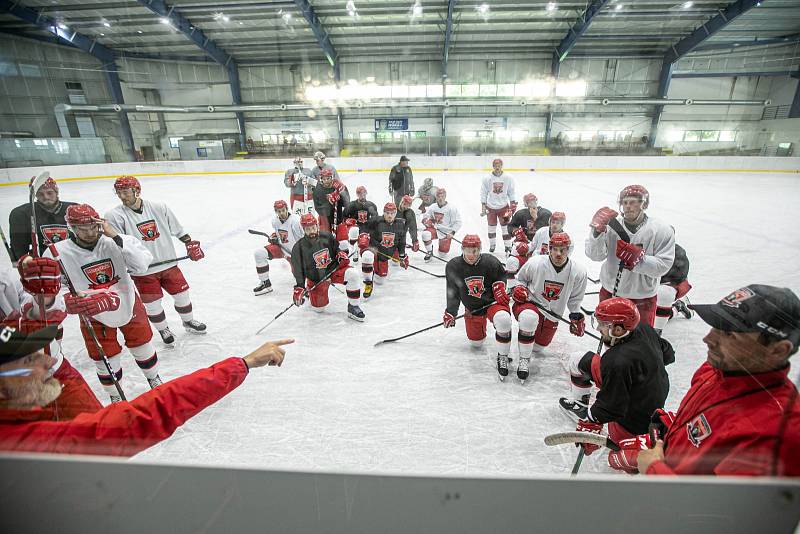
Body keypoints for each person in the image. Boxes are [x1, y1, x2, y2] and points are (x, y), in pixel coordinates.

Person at [0, 324, 292, 456]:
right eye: (28, 361)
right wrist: (242, 364)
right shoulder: (23, 448)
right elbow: (144, 415)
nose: (48, 361)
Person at [633, 284, 800, 477]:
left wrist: (653, 468)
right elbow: (708, 428)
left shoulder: (773, 435)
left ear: (778, 350)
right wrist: (669, 429)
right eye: (716, 326)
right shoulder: (717, 370)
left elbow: (713, 506)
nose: (708, 338)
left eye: (729, 334)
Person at [44, 204, 162, 403]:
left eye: (93, 226)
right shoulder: (56, 252)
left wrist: (116, 236)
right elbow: (53, 288)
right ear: (71, 227)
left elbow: (142, 265)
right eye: (83, 229)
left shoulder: (117, 240)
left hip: (128, 302)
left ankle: (154, 378)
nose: (90, 232)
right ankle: (116, 396)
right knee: (105, 358)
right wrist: (66, 301)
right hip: (92, 312)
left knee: (142, 344)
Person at [560, 297, 674, 473]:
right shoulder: (644, 329)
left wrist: (591, 421)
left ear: (618, 330)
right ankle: (581, 405)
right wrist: (643, 369)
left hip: (631, 424)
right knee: (578, 359)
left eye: (602, 324)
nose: (598, 328)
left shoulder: (617, 362)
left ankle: (586, 411)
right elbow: (668, 353)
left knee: (619, 461)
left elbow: (612, 407)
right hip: (649, 400)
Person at [105, 176, 207, 346]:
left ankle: (188, 321)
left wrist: (190, 243)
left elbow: (177, 229)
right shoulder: (115, 215)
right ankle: (163, 329)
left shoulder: (159, 207)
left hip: (169, 264)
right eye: (119, 193)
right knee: (152, 305)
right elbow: (117, 244)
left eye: (126, 192)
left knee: (182, 296)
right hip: (142, 271)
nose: (122, 197)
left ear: (136, 191)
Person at [1, 261, 102, 420]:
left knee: (98, 432)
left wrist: (45, 297)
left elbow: (32, 306)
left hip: (51, 375)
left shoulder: (6, 276)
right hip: (8, 394)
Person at [586, 185, 675, 327]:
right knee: (610, 341)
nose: (628, 206)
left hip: (642, 299)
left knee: (640, 344)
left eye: (633, 202)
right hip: (609, 293)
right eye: (625, 202)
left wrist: (639, 261)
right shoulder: (610, 226)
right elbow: (594, 255)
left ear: (644, 204)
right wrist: (596, 233)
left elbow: (664, 266)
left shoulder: (661, 229)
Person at [510, 232, 588, 380]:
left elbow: (575, 299)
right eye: (555, 249)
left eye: (563, 250)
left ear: (568, 250)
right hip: (531, 304)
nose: (558, 253)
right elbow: (520, 280)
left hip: (553, 314)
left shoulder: (578, 271)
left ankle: (527, 340)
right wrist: (519, 289)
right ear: (549, 249)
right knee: (529, 318)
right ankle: (524, 360)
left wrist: (576, 316)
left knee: (539, 347)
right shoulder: (536, 262)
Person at [443, 234, 513, 379]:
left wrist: (500, 286)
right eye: (468, 250)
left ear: (480, 249)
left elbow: (502, 276)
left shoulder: (490, 262)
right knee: (476, 343)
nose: (471, 254)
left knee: (503, 320)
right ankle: (481, 329)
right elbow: (452, 291)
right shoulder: (453, 266)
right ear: (462, 249)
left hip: (492, 304)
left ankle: (503, 355)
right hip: (472, 308)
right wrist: (451, 312)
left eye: (475, 251)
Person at [290, 213, 365, 321]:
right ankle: (309, 290)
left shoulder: (327, 236)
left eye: (313, 227)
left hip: (333, 271)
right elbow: (298, 271)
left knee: (353, 274)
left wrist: (340, 254)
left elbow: (336, 250)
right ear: (303, 230)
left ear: (316, 226)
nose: (311, 231)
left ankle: (353, 306)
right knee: (319, 309)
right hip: (317, 280)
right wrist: (299, 287)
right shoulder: (298, 248)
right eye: (308, 229)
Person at [8, 176, 77, 263]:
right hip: (43, 264)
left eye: (50, 193)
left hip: (73, 260)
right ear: (35, 195)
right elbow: (19, 246)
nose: (46, 197)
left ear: (57, 192)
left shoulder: (73, 209)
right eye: (40, 194)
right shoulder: (22, 214)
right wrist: (25, 261)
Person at [252, 200, 304, 296]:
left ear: (287, 209)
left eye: (283, 210)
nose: (281, 213)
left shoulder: (296, 221)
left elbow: (304, 239)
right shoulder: (275, 221)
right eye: (279, 211)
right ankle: (265, 284)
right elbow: (280, 234)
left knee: (300, 278)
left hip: (296, 255)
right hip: (282, 250)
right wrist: (275, 237)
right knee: (259, 253)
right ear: (276, 211)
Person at [358, 203, 408, 299]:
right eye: (387, 213)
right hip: (374, 249)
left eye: (392, 213)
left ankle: (375, 271)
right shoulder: (376, 220)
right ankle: (368, 283)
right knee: (367, 256)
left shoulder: (401, 225)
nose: (389, 215)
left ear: (395, 213)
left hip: (386, 253)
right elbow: (363, 227)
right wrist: (363, 235)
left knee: (380, 280)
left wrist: (402, 256)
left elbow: (402, 242)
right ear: (383, 213)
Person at [654, 241, 693, 335]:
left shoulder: (676, 253)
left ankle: (656, 332)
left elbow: (678, 279)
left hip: (665, 286)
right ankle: (675, 308)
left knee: (664, 294)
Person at [479, 158, 516, 254]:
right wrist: (483, 205)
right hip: (491, 207)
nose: (497, 167)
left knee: (505, 227)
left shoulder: (508, 177)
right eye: (495, 165)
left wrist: (512, 203)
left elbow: (511, 191)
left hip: (504, 207)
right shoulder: (487, 178)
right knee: (491, 227)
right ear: (493, 166)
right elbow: (483, 192)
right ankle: (492, 244)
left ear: (501, 166)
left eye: (499, 165)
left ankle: (507, 246)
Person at [308, 168, 351, 241]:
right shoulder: (317, 189)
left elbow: (347, 203)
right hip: (324, 219)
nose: (326, 181)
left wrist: (341, 194)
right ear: (321, 179)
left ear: (332, 178)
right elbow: (318, 208)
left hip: (338, 217)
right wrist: (329, 202)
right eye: (324, 179)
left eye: (328, 178)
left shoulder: (338, 186)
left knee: (343, 241)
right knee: (326, 241)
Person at [420, 188, 462, 262]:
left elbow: (458, 222)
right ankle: (429, 251)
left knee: (442, 254)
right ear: (436, 197)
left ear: (445, 196)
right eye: (438, 196)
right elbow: (425, 217)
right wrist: (426, 221)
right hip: (435, 229)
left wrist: (452, 233)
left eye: (442, 196)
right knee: (425, 234)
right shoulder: (432, 207)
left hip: (446, 232)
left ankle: (442, 249)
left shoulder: (451, 208)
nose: (440, 198)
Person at [342, 185, 378, 261]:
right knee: (354, 232)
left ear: (366, 193)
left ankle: (368, 253)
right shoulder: (351, 205)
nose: (362, 195)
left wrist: (371, 223)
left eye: (364, 193)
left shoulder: (371, 205)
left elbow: (375, 217)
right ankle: (355, 252)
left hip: (366, 227)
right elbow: (344, 216)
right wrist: (348, 221)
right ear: (357, 195)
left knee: (370, 238)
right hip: (355, 226)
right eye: (360, 194)